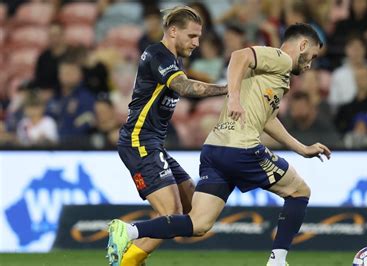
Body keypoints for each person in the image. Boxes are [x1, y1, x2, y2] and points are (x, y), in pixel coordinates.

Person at [108, 23, 331, 266]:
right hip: (242, 148)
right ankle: (278, 261)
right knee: (300, 191)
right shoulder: (281, 58)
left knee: (198, 223)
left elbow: (267, 118)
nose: (310, 63)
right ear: (303, 45)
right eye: (313, 56)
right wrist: (233, 96)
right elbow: (240, 55)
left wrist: (301, 148)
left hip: (214, 150)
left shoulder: (275, 76)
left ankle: (128, 231)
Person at [107, 6, 227, 266]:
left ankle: (130, 254)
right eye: (192, 36)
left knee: (190, 211)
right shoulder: (157, 54)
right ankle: (126, 251)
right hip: (139, 141)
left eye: (199, 37)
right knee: (171, 212)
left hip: (153, 144)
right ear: (173, 31)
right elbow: (183, 86)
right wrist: (228, 89)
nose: (197, 43)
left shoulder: (173, 59)